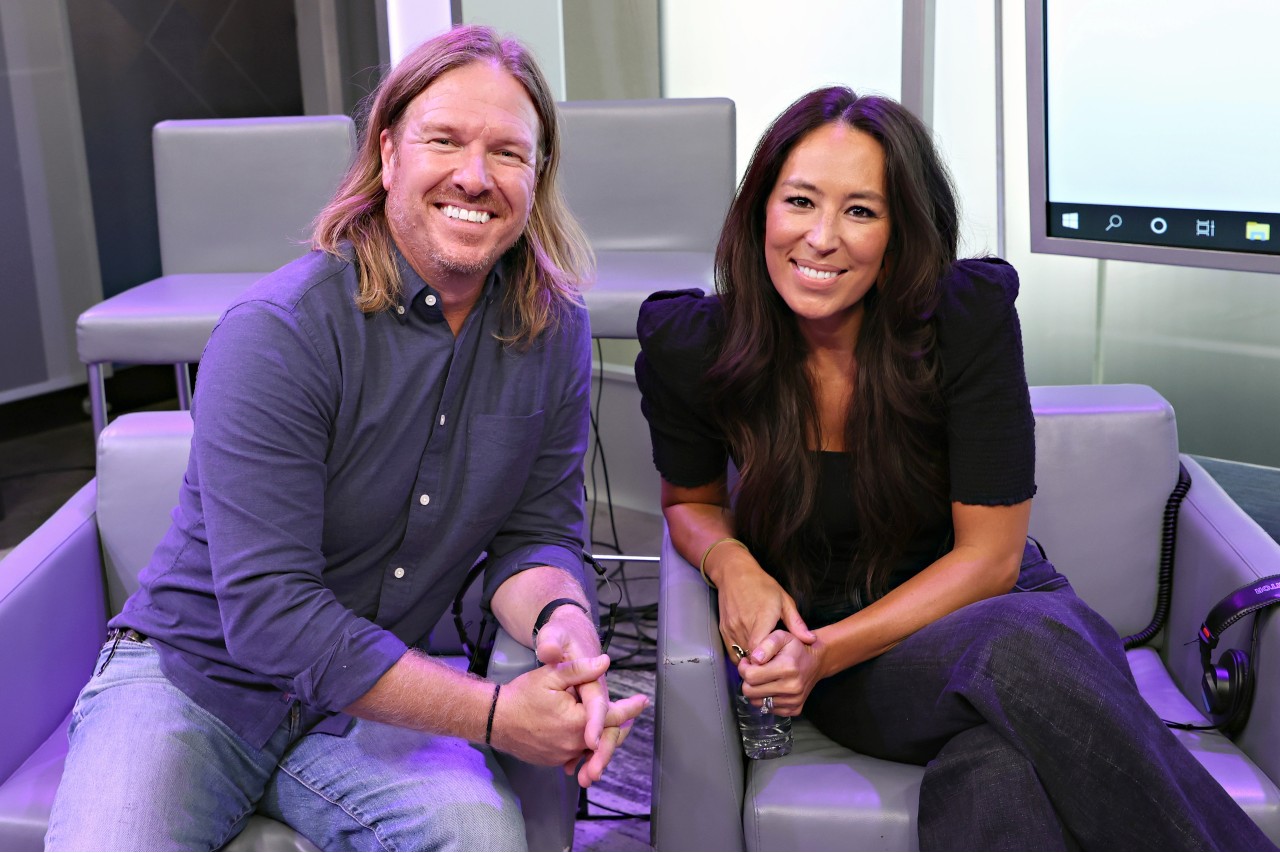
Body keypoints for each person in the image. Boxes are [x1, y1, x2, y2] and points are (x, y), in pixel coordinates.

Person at [46, 25, 647, 852]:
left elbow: (535, 532)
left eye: (509, 152)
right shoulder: (280, 330)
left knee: (479, 838)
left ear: (537, 175)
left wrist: (562, 623)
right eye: (445, 140)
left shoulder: (553, 330)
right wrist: (498, 714)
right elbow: (271, 615)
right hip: (192, 680)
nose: (476, 175)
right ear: (390, 151)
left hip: (368, 699)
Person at [636, 86, 1275, 850]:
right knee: (1024, 652)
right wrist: (733, 562)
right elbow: (690, 502)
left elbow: (992, 559)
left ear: (902, 229)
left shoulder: (962, 321)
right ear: (759, 212)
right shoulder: (695, 344)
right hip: (868, 668)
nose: (822, 237)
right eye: (800, 201)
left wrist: (818, 653)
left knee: (997, 769)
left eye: (861, 211)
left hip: (1003, 622)